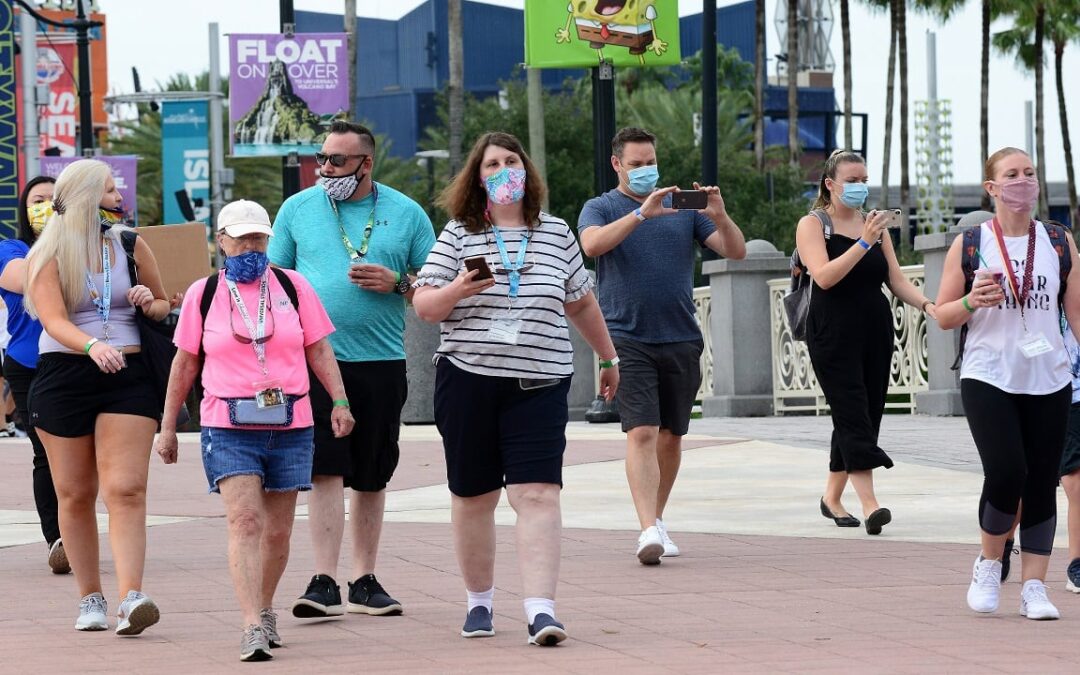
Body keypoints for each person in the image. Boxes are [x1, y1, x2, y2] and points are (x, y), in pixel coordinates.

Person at [413, 131, 619, 645]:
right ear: (476, 179)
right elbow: (425, 306)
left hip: (541, 382)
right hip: (469, 381)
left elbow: (580, 302)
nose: (503, 170)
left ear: (526, 170)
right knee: (474, 496)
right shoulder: (459, 233)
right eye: (491, 165)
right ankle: (478, 602)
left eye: (510, 161)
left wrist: (609, 356)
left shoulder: (556, 232)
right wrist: (460, 287)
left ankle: (541, 610)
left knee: (538, 493)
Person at [154, 200, 354, 661]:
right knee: (245, 520)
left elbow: (319, 349)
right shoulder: (203, 294)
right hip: (227, 423)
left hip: (291, 421)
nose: (250, 247)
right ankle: (249, 623)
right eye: (241, 238)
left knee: (278, 532)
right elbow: (183, 364)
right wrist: (167, 428)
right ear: (220, 241)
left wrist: (339, 402)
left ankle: (264, 609)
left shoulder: (292, 286)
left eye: (259, 238)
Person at [269, 120, 437, 619]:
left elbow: (433, 288)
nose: (325, 169)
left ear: (367, 163)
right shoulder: (297, 208)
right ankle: (323, 581)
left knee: (371, 474)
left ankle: (364, 579)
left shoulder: (407, 213)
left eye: (337, 161)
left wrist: (398, 282)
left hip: (382, 362)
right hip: (316, 363)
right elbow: (274, 282)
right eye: (321, 159)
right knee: (324, 469)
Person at [577, 127, 746, 564]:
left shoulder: (681, 206)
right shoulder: (601, 206)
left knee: (671, 437)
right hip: (626, 336)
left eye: (650, 162)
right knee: (643, 431)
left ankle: (657, 519)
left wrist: (721, 215)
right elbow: (591, 244)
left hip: (681, 335)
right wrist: (640, 215)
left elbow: (736, 252)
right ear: (617, 165)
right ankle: (647, 528)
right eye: (636, 164)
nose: (645, 171)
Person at [24, 159, 169, 634]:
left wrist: (150, 301)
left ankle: (132, 596)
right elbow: (52, 319)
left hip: (128, 372)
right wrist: (90, 344)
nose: (118, 198)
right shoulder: (48, 254)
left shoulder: (128, 242)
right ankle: (90, 598)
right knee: (75, 492)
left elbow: (168, 303)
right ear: (87, 197)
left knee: (126, 488)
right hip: (66, 372)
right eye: (108, 191)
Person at [936, 147, 1080, 620]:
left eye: (1030, 173)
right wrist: (972, 301)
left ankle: (1034, 587)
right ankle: (989, 560)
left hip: (1049, 377)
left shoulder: (1059, 241)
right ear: (992, 188)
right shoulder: (973, 241)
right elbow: (942, 315)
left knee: (1042, 481)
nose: (1023, 181)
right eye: (1012, 175)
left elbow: (1075, 314)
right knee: (1006, 471)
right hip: (988, 374)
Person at [793, 149, 936, 536]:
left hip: (875, 328)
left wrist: (927, 304)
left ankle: (831, 497)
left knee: (865, 412)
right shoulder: (813, 224)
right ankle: (871, 505)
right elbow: (822, 276)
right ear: (830, 184)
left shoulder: (874, 225)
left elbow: (896, 279)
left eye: (863, 179)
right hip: (831, 331)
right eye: (851, 180)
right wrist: (861, 244)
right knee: (852, 409)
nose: (859, 186)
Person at [0, 176, 67, 573]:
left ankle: (75, 530)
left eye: (53, 200)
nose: (44, 206)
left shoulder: (91, 245)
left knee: (81, 457)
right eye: (37, 200)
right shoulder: (12, 249)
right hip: (29, 366)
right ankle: (56, 539)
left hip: (75, 360)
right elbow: (23, 278)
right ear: (25, 209)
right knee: (46, 452)